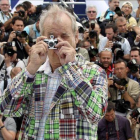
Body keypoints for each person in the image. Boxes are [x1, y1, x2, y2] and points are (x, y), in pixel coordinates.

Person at [0, 5, 108, 140]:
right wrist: (31, 69)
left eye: (64, 36)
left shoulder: (94, 72)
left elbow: (96, 114)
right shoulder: (33, 72)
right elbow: (6, 108)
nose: (58, 43)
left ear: (76, 37)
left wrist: (70, 68)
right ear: (41, 38)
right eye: (51, 37)